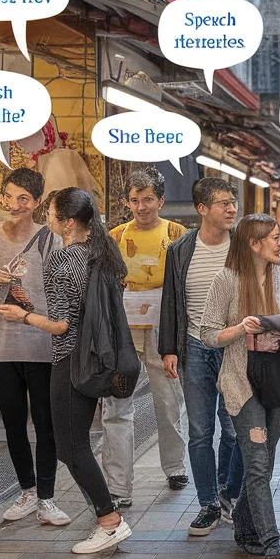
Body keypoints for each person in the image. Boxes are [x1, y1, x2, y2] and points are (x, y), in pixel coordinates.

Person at [0, 187, 133, 554]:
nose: (46, 219)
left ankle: (109, 521)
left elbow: (60, 325)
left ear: (68, 223)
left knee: (72, 448)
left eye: (51, 214)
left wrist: (21, 315)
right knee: (74, 444)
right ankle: (108, 518)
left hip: (71, 360)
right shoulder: (104, 252)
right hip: (100, 357)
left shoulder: (63, 259)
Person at [199, 214, 280, 559]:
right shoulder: (226, 280)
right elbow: (208, 334)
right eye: (274, 238)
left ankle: (245, 529)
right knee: (258, 464)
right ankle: (272, 542)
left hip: (277, 379)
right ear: (254, 244)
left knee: (264, 462)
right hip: (241, 383)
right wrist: (241, 329)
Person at [0, 169, 70, 526]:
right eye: (10, 196)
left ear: (37, 203)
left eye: (25, 198)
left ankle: (47, 498)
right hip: (3, 345)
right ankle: (26, 491)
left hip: (40, 341)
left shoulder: (50, 237)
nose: (15, 205)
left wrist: (25, 301)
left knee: (46, 424)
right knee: (13, 423)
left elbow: (59, 288)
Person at [161, 177, 245, 536]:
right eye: (223, 203)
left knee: (233, 429)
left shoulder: (243, 247)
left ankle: (228, 490)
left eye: (232, 202)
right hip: (195, 348)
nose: (231, 209)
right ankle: (208, 503)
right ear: (202, 209)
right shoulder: (181, 249)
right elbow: (170, 302)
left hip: (234, 349)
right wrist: (168, 349)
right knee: (199, 431)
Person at [101, 168, 189, 503]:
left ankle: (175, 466)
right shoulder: (115, 237)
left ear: (161, 200)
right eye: (135, 200)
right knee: (117, 406)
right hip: (123, 331)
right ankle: (118, 486)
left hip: (161, 330)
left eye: (148, 199)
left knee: (167, 401)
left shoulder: (178, 234)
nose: (142, 206)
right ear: (127, 202)